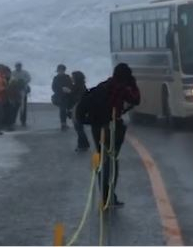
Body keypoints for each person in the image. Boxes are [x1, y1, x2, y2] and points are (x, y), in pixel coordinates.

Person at [76, 63, 140, 207]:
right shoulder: (121, 88)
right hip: (112, 126)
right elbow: (136, 99)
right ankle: (109, 196)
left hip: (96, 127)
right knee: (112, 160)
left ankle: (104, 194)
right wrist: (134, 85)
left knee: (103, 158)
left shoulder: (103, 85)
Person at [68, 70, 89, 151]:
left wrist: (69, 92)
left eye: (72, 77)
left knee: (79, 128)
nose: (71, 78)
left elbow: (78, 98)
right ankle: (82, 144)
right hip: (76, 108)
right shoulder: (78, 85)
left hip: (78, 109)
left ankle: (83, 145)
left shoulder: (80, 86)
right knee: (79, 128)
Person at [51, 64, 73, 130]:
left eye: (61, 70)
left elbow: (71, 85)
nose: (60, 72)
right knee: (62, 109)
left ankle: (68, 118)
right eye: (59, 70)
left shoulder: (68, 77)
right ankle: (63, 124)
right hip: (59, 97)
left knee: (69, 109)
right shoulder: (56, 78)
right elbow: (53, 87)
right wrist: (61, 89)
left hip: (68, 96)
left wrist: (69, 89)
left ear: (64, 70)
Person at [13, 62, 33, 127]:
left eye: (19, 66)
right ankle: (13, 120)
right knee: (15, 107)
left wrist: (24, 81)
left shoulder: (25, 72)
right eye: (17, 66)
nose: (18, 67)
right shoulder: (13, 73)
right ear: (15, 66)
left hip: (23, 91)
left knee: (23, 107)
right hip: (15, 92)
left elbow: (29, 78)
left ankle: (23, 120)